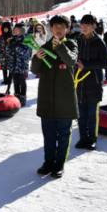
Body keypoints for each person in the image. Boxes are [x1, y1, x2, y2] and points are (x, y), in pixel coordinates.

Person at [31, 15, 78, 179]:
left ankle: (59, 165)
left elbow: (71, 61)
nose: (58, 29)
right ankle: (48, 162)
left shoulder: (71, 44)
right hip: (47, 98)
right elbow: (35, 70)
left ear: (67, 29)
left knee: (64, 134)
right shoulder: (45, 46)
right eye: (55, 26)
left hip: (64, 98)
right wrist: (37, 58)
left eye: (61, 27)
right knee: (48, 134)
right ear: (51, 29)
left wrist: (60, 47)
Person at [74, 15, 107, 150]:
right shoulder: (78, 40)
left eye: (87, 25)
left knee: (92, 114)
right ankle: (83, 138)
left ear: (93, 26)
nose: (84, 27)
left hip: (94, 81)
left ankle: (92, 139)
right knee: (80, 113)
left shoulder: (99, 42)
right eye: (82, 25)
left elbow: (104, 63)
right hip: (79, 82)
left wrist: (86, 65)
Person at [6, 23, 32, 107]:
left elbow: (26, 53)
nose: (14, 31)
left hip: (22, 65)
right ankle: (16, 97)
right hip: (13, 64)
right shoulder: (13, 39)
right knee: (16, 82)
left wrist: (16, 46)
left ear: (22, 30)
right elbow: (8, 52)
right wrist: (9, 45)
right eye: (14, 29)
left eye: (17, 29)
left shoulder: (26, 39)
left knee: (22, 81)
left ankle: (23, 98)